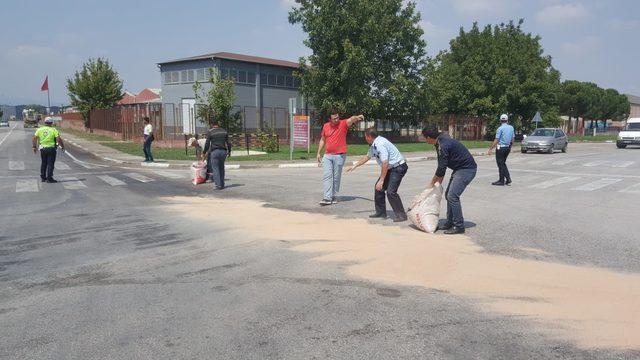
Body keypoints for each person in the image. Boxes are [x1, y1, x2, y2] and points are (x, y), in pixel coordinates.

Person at [422, 125, 477, 235]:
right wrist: (435, 183)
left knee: (452, 196)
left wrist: (433, 184)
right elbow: (442, 167)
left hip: (466, 169)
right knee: (449, 195)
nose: (424, 140)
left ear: (428, 137)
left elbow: (441, 168)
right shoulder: (440, 142)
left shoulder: (443, 144)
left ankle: (459, 226)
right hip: (459, 168)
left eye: (424, 137)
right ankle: (450, 222)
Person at [348, 128, 408, 222]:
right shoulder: (374, 144)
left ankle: (401, 215)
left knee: (391, 191)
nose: (365, 139)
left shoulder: (380, 144)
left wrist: (382, 180)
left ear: (369, 136)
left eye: (365, 137)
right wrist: (355, 165)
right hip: (391, 168)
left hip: (398, 167)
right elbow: (367, 157)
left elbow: (385, 163)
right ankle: (381, 212)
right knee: (378, 188)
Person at [316, 109, 365, 205]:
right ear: (330, 119)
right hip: (327, 155)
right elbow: (322, 139)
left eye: (338, 117)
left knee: (336, 177)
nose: (337, 119)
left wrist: (357, 117)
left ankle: (333, 196)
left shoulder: (343, 124)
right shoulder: (326, 126)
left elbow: (351, 119)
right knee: (327, 176)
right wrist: (318, 153)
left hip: (340, 155)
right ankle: (327, 198)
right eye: (334, 118)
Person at [32, 117, 65, 183]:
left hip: (43, 149)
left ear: (45, 122)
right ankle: (49, 178)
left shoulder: (39, 129)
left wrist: (34, 147)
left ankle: (43, 178)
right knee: (50, 164)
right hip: (51, 149)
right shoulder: (53, 130)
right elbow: (58, 139)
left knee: (44, 163)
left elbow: (34, 138)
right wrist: (62, 146)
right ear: (51, 123)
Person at [201, 120, 231, 190]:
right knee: (221, 168)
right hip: (223, 151)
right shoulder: (224, 131)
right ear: (218, 124)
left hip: (215, 152)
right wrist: (229, 151)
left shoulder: (210, 132)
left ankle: (218, 185)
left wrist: (204, 152)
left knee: (215, 168)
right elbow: (228, 142)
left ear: (211, 124)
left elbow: (207, 143)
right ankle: (222, 184)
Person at [488, 114, 515, 186]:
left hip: (501, 148)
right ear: (507, 120)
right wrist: (510, 146)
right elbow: (512, 139)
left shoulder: (500, 129)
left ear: (500, 120)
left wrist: (491, 149)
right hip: (507, 148)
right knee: (502, 163)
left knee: (500, 164)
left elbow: (496, 139)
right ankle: (505, 179)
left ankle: (504, 180)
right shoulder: (511, 128)